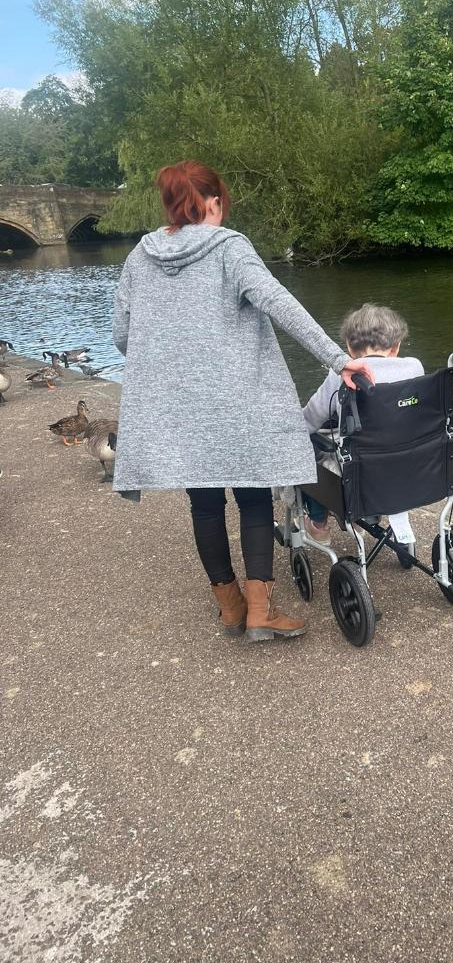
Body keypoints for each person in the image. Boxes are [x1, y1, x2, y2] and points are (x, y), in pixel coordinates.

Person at [111, 160, 374, 642]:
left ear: (170, 204)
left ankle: (229, 608)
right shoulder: (230, 246)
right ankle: (260, 610)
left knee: (204, 505)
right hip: (239, 404)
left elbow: (123, 336)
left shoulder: (139, 258)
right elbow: (280, 303)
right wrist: (340, 361)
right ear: (213, 201)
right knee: (254, 499)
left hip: (177, 410)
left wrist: (172, 355)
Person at [301, 303, 424, 543]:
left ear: (348, 347)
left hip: (361, 473)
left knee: (308, 448)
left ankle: (318, 522)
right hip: (412, 468)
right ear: (396, 346)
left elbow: (310, 420)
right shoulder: (415, 367)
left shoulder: (340, 375)